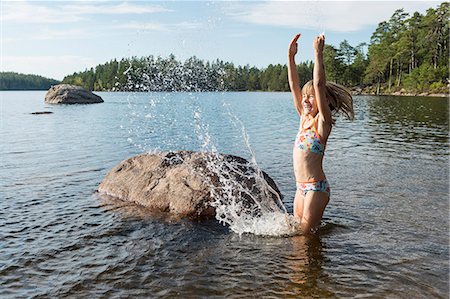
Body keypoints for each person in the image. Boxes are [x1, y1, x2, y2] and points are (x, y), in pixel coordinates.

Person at [287, 33, 354, 234]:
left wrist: (318, 53)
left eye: (312, 98)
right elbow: (293, 86)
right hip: (301, 188)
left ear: (324, 101)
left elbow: (318, 84)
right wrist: (290, 57)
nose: (306, 100)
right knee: (297, 233)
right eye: (304, 97)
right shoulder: (303, 118)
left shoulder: (322, 123)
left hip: (316, 188)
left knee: (304, 236)